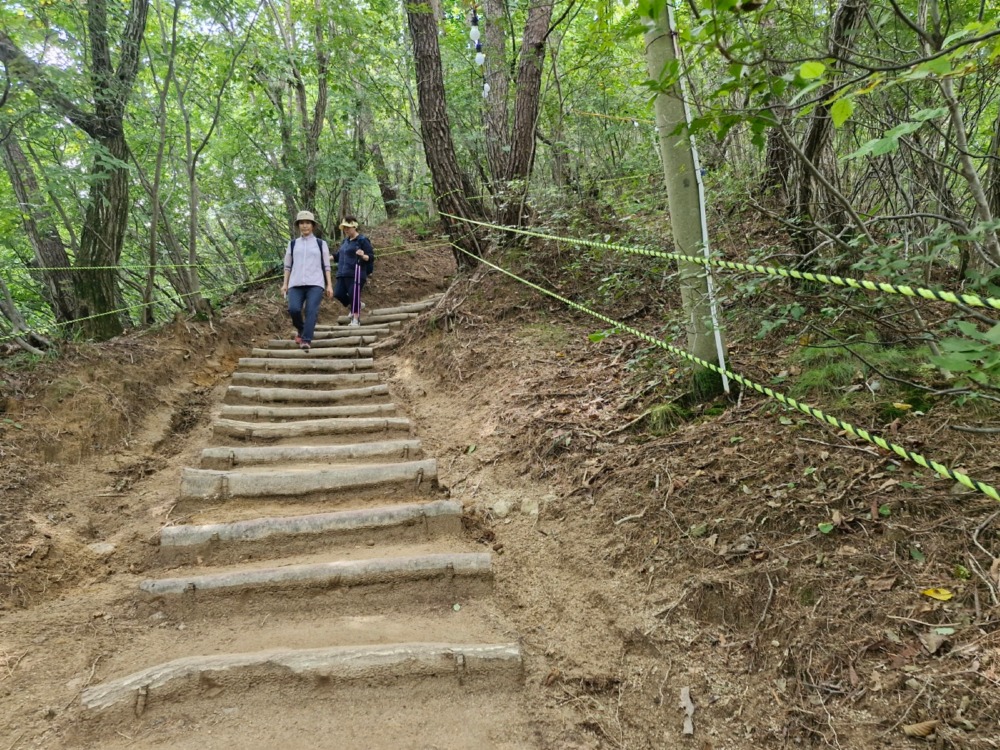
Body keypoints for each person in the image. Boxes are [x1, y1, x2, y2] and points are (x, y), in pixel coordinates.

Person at [280, 210, 333, 351]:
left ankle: (306, 340)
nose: (305, 226)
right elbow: (287, 266)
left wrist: (329, 285)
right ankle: (302, 330)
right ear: (298, 226)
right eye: (302, 223)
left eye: (308, 223)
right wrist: (285, 284)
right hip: (295, 283)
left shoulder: (321, 244)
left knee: (311, 311)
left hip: (315, 283)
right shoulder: (292, 244)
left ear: (313, 226)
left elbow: (327, 266)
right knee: (294, 309)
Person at [334, 216, 374, 326]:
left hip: (357, 272)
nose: (346, 230)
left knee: (353, 294)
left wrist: (363, 255)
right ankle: (356, 305)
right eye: (344, 228)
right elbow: (338, 256)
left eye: (348, 227)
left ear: (354, 227)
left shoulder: (362, 240)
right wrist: (327, 257)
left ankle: (356, 320)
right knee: (338, 293)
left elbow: (371, 257)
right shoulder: (345, 241)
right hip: (342, 273)